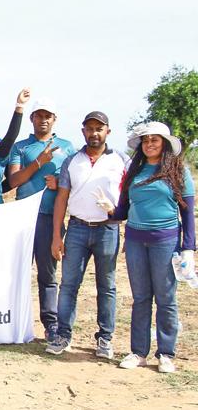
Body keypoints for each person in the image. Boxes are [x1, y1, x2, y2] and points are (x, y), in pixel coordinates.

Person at [111, 122, 193, 373]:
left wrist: (189, 247)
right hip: (135, 240)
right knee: (141, 298)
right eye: (146, 140)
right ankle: (138, 352)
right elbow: (124, 209)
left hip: (166, 242)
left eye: (155, 140)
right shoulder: (133, 172)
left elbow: (187, 213)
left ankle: (166, 353)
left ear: (165, 143)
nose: (149, 144)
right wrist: (109, 209)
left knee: (166, 298)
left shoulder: (179, 171)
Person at [46, 111, 128, 359]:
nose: (94, 133)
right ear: (83, 131)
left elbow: (132, 195)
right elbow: (62, 197)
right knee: (69, 285)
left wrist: (125, 220)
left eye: (99, 129)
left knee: (107, 287)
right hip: (78, 228)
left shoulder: (122, 160)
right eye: (89, 128)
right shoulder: (72, 160)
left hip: (108, 229)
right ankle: (63, 335)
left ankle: (105, 339)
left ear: (108, 132)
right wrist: (56, 235)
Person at [7, 98, 77, 342]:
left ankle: (51, 324)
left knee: (47, 275)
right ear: (32, 119)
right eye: (39, 115)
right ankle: (13, 319)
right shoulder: (21, 147)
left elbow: (75, 183)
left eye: (48, 116)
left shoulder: (68, 148)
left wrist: (59, 183)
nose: (43, 119)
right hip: (22, 217)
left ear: (54, 119)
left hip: (50, 218)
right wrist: (39, 163)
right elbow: (14, 181)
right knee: (17, 272)